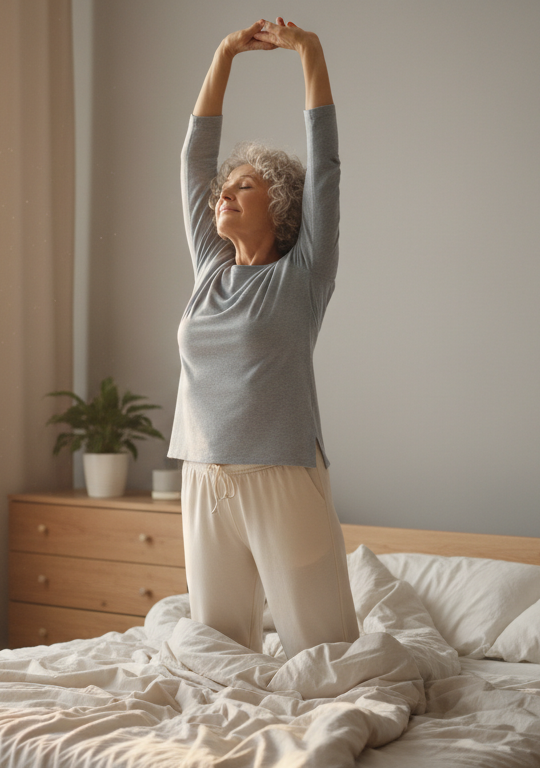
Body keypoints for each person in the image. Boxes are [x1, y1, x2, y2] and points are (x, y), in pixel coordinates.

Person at [167, 18, 358, 659]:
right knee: (219, 652)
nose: (223, 191)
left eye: (244, 184)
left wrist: (311, 53)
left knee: (324, 652)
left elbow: (325, 167)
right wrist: (224, 54)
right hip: (203, 475)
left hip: (282, 473)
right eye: (225, 186)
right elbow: (194, 161)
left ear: (279, 207)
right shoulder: (211, 269)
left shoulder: (302, 276)